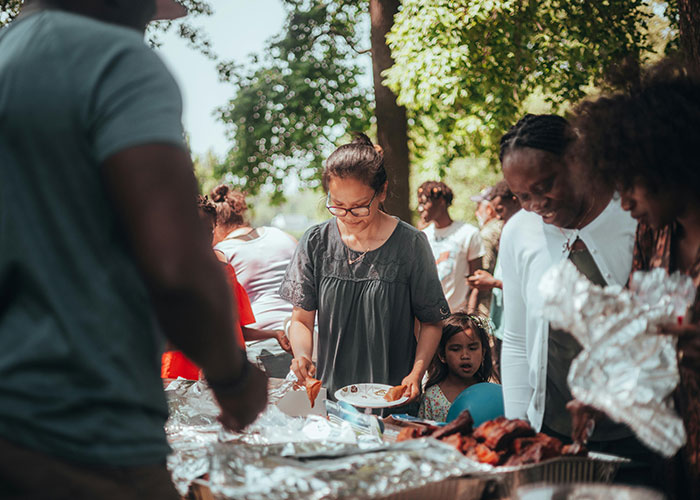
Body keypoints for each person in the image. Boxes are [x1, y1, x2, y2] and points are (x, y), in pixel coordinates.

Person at [0, 2, 267, 498]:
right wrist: (234, 380)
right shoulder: (114, 60)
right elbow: (177, 264)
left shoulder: (10, 55)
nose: (149, 22)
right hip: (87, 436)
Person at [498, 114, 660, 477]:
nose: (534, 205)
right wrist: (519, 425)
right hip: (553, 433)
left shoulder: (637, 216)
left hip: (643, 433)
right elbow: (517, 339)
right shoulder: (518, 233)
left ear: (577, 162)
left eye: (544, 186)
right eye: (521, 196)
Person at [572, 59, 700, 499]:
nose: (624, 203)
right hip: (675, 460)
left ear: (671, 163)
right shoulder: (652, 233)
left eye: (633, 185)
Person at [280, 134, 449, 406]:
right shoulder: (315, 242)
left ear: (381, 192)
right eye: (337, 206)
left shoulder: (411, 244)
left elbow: (431, 322)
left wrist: (416, 374)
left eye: (359, 207)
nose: (348, 217)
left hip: (393, 395)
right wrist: (301, 356)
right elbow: (301, 319)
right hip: (330, 396)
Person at [161, 195, 257, 380]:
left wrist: (275, 334)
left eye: (208, 231)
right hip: (175, 378)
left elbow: (235, 329)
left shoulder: (226, 273)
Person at [210, 185, 295, 377]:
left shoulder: (221, 254)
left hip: (261, 347)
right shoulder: (283, 236)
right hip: (308, 339)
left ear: (214, 227)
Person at [467, 180, 521, 372]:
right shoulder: (505, 229)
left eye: (501, 210)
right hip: (501, 321)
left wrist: (493, 282)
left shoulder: (524, 232)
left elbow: (528, 284)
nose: (497, 216)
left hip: (517, 323)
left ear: (516, 201)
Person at [417, 181, 485, 313]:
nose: (420, 208)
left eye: (424, 203)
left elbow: (476, 282)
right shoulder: (422, 236)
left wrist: (469, 318)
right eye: (419, 203)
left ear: (441, 201)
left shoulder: (468, 233)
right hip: (430, 317)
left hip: (457, 318)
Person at [418, 312, 495, 422]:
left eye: (472, 348)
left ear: (483, 353)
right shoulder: (432, 398)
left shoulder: (490, 394)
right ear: (442, 355)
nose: (465, 356)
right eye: (455, 349)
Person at [471, 187, 502, 317]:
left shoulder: (487, 234)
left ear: (489, 210)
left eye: (478, 208)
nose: (476, 213)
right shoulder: (507, 227)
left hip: (489, 308)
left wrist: (471, 312)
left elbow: (482, 274)